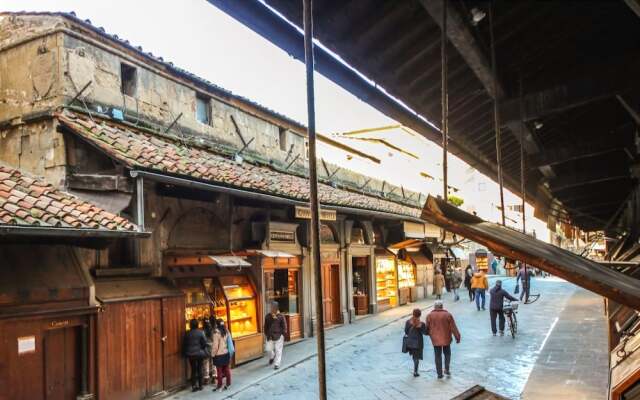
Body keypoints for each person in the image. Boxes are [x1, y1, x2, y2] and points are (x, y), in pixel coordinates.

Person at [425, 300, 461, 379]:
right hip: (446, 338)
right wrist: (457, 337)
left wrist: (429, 333)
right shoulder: (447, 315)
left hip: (435, 339)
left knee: (437, 356)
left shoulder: (429, 315)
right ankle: (447, 369)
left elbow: (426, 328)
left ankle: (439, 374)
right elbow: (453, 327)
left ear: (435, 307)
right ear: (442, 306)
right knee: (447, 354)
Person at [182, 319, 208, 392]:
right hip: (199, 353)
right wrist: (202, 348)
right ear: (197, 325)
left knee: (193, 369)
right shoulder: (200, 332)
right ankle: (200, 385)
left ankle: (193, 386)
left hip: (191, 354)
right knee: (200, 368)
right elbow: (204, 343)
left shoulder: (187, 333)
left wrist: (184, 353)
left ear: (190, 325)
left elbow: (184, 344)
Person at [404, 308, 428, 377]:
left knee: (414, 356)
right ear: (420, 315)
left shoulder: (408, 322)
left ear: (413, 314)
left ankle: (415, 370)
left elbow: (406, 331)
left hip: (410, 342)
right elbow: (425, 332)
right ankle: (415, 371)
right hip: (418, 342)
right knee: (416, 357)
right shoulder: (422, 324)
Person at [264, 301, 287, 369]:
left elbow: (284, 326)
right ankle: (272, 356)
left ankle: (277, 364)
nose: (272, 309)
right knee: (268, 349)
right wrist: (266, 333)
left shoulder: (281, 316)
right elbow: (265, 326)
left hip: (279, 336)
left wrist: (283, 334)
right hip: (270, 336)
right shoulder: (268, 316)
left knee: (278, 350)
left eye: (273, 307)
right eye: (271, 307)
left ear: (276, 308)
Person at [212, 318, 232, 391]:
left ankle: (219, 385)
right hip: (226, 353)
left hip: (219, 355)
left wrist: (213, 354)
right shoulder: (226, 331)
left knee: (219, 371)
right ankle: (228, 382)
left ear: (217, 324)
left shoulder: (216, 333)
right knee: (227, 369)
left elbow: (215, 346)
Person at [203, 319, 215, 385]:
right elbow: (214, 340)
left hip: (206, 349)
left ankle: (206, 379)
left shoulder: (203, 331)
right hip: (213, 348)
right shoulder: (212, 331)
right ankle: (214, 378)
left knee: (206, 363)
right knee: (214, 363)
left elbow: (202, 341)